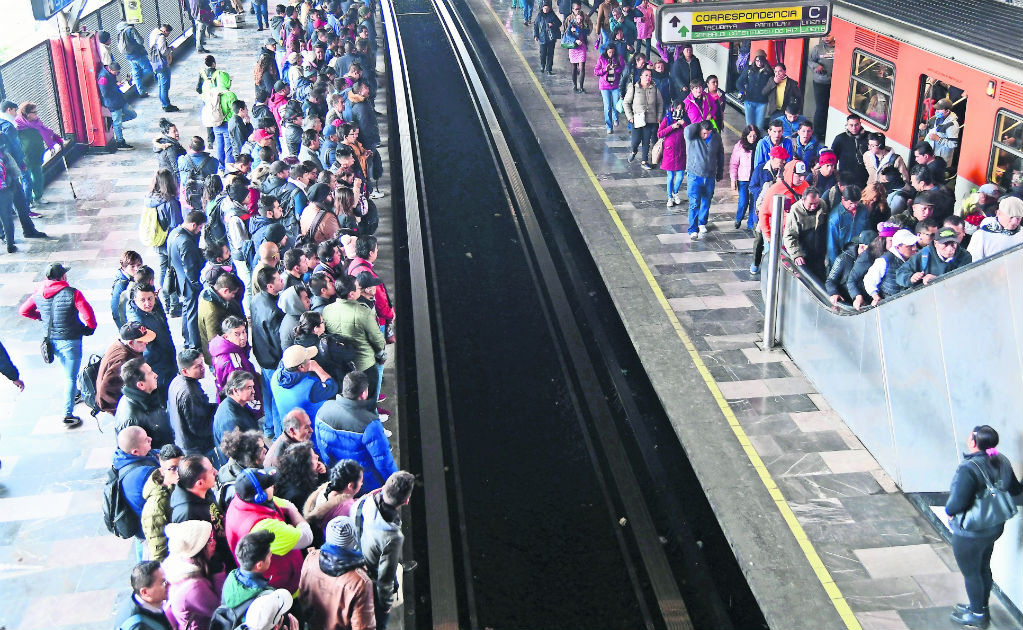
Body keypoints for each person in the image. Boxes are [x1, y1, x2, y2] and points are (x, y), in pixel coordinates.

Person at [944, 425, 1023, 628]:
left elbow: (957, 503)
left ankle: (978, 615)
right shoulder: (1000, 459)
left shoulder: (969, 468)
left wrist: (949, 512)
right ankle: (978, 607)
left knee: (972, 573)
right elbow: (1015, 488)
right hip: (994, 527)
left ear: (973, 442)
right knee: (982, 568)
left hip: (971, 531)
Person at [19, 263, 97, 427]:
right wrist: (90, 328)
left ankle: (75, 393)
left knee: (67, 370)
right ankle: (67, 414)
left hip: (51, 340)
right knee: (69, 377)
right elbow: (87, 314)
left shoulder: (38, 293)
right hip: (70, 341)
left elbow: (24, 311)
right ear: (62, 277)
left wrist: (40, 317)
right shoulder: (73, 293)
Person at [225, 469, 312, 594]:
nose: (273, 486)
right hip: (284, 588)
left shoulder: (240, 501)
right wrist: (293, 510)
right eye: (269, 485)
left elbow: (280, 503)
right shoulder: (264, 526)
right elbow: (307, 537)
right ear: (260, 496)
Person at [352, 470, 416, 630]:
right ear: (406, 501)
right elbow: (386, 578)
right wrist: (386, 603)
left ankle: (400, 567)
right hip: (373, 575)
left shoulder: (363, 502)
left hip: (359, 557)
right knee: (378, 622)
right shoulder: (392, 536)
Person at [316, 371, 397, 492]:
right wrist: (395, 484)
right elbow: (383, 461)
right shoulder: (370, 424)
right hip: (365, 483)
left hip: (338, 477)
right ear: (364, 393)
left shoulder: (324, 409)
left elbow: (321, 447)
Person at [299, 515, 376, 630]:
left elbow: (303, 596)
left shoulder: (312, 558)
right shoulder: (360, 581)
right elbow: (363, 626)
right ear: (353, 541)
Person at [322, 275, 387, 411]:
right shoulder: (363, 312)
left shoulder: (327, 310)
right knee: (369, 404)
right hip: (364, 365)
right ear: (351, 294)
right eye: (358, 288)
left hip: (342, 366)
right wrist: (381, 351)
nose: (360, 290)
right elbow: (377, 339)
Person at [171, 455, 234, 573]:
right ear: (199, 483)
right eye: (211, 470)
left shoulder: (205, 490)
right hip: (218, 569)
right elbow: (196, 556)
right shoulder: (186, 514)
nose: (216, 471)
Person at [163, 520, 221, 630]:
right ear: (197, 550)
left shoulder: (180, 561)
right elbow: (219, 608)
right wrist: (219, 575)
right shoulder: (194, 587)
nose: (214, 542)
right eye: (209, 541)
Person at [252, 267, 287, 438]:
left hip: (262, 356)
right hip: (274, 360)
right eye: (278, 279)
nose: (282, 280)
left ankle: (269, 427)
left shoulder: (256, 299)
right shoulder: (273, 311)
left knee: (267, 394)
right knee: (277, 398)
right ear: (269, 286)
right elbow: (278, 340)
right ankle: (279, 435)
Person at [127, 283, 177, 394]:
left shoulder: (155, 307)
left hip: (167, 358)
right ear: (135, 300)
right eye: (143, 300)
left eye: (150, 298)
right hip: (156, 365)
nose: (147, 303)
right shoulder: (137, 323)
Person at [168, 211, 207, 351]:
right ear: (193, 224)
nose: (199, 231)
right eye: (200, 227)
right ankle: (194, 343)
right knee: (192, 312)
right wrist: (197, 284)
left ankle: (187, 338)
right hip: (188, 283)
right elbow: (190, 268)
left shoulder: (174, 233)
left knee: (186, 310)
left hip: (180, 279)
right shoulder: (186, 242)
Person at [167, 349, 217, 457]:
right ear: (185, 371)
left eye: (202, 363)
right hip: (198, 449)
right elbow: (200, 427)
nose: (203, 368)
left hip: (185, 443)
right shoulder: (190, 394)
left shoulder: (177, 381)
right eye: (197, 366)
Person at [13, 101, 65, 206]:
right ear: (26, 114)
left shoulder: (37, 123)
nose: (37, 114)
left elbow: (46, 131)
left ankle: (38, 197)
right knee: (26, 180)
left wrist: (54, 137)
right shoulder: (17, 126)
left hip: (37, 154)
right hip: (25, 157)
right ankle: (28, 202)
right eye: (34, 112)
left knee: (38, 177)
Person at [96, 322, 154, 415]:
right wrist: (122, 412)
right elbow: (106, 390)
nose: (146, 342)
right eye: (142, 341)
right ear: (131, 343)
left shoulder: (122, 346)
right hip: (119, 408)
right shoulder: (123, 361)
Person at [115, 358, 174, 448]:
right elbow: (138, 451)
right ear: (141, 385)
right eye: (150, 373)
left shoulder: (148, 395)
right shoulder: (131, 420)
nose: (156, 375)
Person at [271, 344, 338, 421]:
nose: (311, 360)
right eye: (309, 359)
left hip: (287, 426)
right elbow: (332, 387)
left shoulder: (275, 376)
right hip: (309, 430)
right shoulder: (310, 387)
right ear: (301, 367)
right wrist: (317, 368)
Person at [303, 460, 364, 545]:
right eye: (361, 481)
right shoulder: (347, 508)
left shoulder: (325, 491)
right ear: (350, 486)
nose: (362, 484)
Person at [684, 121, 724, 240]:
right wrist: (699, 124)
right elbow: (687, 129)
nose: (704, 136)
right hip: (694, 175)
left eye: (706, 134)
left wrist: (720, 172)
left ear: (711, 131)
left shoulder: (716, 138)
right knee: (695, 202)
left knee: (707, 200)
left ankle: (702, 222)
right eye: (702, 133)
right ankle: (693, 229)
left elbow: (720, 155)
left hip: (710, 176)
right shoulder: (693, 137)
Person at [783, 187, 830, 281]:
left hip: (819, 253)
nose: (813, 207)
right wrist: (796, 254)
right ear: (803, 200)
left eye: (816, 203)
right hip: (804, 253)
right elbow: (790, 236)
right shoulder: (795, 210)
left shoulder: (822, 204)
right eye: (810, 204)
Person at [198, 272, 245, 365]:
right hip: (220, 358)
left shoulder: (208, 294)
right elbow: (215, 340)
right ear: (225, 291)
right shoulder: (212, 311)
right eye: (233, 293)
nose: (233, 297)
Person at [114, 426, 160, 520]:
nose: (150, 439)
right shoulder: (146, 474)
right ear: (135, 452)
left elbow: (155, 453)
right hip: (149, 523)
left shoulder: (123, 458)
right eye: (146, 440)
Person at [862, 229, 918, 305]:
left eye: (914, 245)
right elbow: (869, 280)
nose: (914, 248)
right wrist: (875, 296)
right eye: (910, 246)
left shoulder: (915, 257)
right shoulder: (884, 261)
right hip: (891, 303)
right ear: (898, 247)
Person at [114, 561, 172, 630]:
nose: (170, 584)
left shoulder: (138, 599)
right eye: (163, 583)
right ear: (145, 592)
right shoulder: (139, 626)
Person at [825, 229, 877, 306]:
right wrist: (834, 293)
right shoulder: (843, 258)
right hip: (847, 300)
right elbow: (830, 281)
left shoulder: (876, 258)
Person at [213, 371, 263, 451]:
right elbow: (240, 452)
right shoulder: (231, 420)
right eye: (249, 388)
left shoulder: (238, 404)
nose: (253, 391)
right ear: (236, 391)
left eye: (253, 387)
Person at [623, 68, 662, 169]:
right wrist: (630, 117)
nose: (648, 78)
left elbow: (660, 103)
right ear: (641, 76)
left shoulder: (654, 88)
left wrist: (658, 117)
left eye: (650, 76)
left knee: (646, 140)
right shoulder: (634, 88)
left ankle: (644, 161)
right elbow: (626, 103)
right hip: (637, 119)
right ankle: (634, 150)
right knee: (635, 140)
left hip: (650, 119)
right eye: (646, 75)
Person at [966, 196, 1023, 261]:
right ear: (998, 213)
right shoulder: (981, 236)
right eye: (1011, 217)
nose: (1014, 222)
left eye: (1018, 218)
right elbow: (972, 265)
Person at [826, 185, 871, 266]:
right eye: (851, 203)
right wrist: (836, 265)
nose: (854, 206)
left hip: (860, 253)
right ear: (843, 199)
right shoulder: (835, 217)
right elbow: (832, 245)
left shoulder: (863, 210)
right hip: (843, 256)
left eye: (856, 203)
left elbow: (867, 232)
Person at [97, 62, 137, 150]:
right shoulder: (103, 78)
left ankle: (114, 123)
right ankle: (120, 142)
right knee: (118, 123)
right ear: (110, 70)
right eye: (116, 72)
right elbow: (105, 93)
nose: (117, 74)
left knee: (132, 114)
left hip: (119, 100)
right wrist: (115, 86)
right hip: (112, 103)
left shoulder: (109, 74)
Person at [274, 441, 324, 508]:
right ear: (306, 465)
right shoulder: (299, 496)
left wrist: (322, 473)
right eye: (314, 457)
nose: (317, 456)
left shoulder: (289, 473)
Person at [730, 125, 760, 229]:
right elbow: (734, 164)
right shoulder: (740, 146)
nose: (752, 138)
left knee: (754, 203)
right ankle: (738, 218)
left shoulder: (759, 145)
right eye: (750, 136)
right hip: (743, 179)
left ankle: (751, 225)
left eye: (754, 136)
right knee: (743, 202)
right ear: (745, 136)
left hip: (756, 180)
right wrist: (733, 180)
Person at [808, 35, 835, 140]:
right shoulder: (817, 48)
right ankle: (818, 133)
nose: (826, 38)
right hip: (820, 82)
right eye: (824, 36)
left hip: (835, 83)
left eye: (828, 35)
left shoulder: (839, 48)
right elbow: (810, 61)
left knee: (830, 108)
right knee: (820, 108)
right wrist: (816, 66)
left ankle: (827, 131)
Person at [831, 114, 869, 187]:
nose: (854, 128)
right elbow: (833, 159)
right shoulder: (840, 138)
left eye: (856, 125)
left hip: (863, 179)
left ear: (860, 124)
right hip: (845, 178)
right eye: (851, 125)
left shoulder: (868, 137)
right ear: (847, 125)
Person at [736, 49, 771, 130]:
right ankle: (750, 142)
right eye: (757, 60)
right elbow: (739, 82)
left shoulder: (769, 72)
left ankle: (758, 142)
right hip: (749, 101)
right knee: (750, 127)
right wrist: (743, 91)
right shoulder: (749, 69)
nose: (759, 63)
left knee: (759, 127)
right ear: (754, 60)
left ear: (764, 60)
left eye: (761, 60)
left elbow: (772, 86)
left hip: (762, 103)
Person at [593, 46, 624, 134]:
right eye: (609, 52)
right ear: (606, 52)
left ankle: (615, 118)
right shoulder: (601, 59)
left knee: (615, 105)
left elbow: (623, 70)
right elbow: (596, 72)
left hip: (615, 86)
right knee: (607, 107)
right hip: (604, 86)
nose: (611, 54)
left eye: (613, 52)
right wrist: (605, 69)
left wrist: (616, 68)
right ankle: (609, 126)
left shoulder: (619, 58)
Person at [919, 98, 960, 164]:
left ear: (947, 111)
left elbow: (953, 144)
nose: (937, 111)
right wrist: (923, 128)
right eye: (936, 109)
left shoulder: (952, 124)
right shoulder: (935, 119)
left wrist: (938, 139)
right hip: (931, 156)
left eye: (939, 109)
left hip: (942, 160)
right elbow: (928, 135)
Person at [148, 24, 178, 112]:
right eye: (168, 33)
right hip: (162, 64)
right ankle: (166, 105)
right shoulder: (161, 37)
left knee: (161, 85)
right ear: (165, 31)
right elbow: (164, 51)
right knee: (165, 85)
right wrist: (171, 49)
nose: (168, 35)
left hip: (155, 63)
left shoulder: (154, 33)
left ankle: (164, 103)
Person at [762, 63, 802, 128]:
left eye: (780, 71)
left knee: (785, 129)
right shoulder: (771, 80)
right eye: (775, 71)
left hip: (786, 111)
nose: (777, 73)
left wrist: (797, 111)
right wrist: (774, 83)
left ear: (784, 71)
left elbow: (799, 98)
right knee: (774, 129)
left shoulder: (791, 83)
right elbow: (764, 92)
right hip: (774, 110)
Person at [112, 251, 144, 328]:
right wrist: (125, 331)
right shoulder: (121, 284)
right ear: (124, 267)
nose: (137, 269)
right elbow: (117, 312)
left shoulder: (132, 277)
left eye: (139, 265)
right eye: (132, 266)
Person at [533, 1, 561, 75]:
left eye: (547, 9)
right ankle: (542, 66)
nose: (546, 10)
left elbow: (559, 23)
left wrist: (553, 25)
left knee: (550, 54)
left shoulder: (553, 15)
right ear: (542, 8)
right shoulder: (539, 16)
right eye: (544, 8)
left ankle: (549, 68)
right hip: (542, 38)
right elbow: (535, 26)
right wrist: (536, 35)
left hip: (551, 38)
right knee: (543, 53)